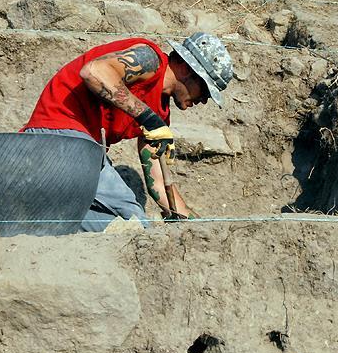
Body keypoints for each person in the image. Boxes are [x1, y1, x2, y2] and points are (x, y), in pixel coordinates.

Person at [22, 32, 233, 232]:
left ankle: (29, 219)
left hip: (80, 153)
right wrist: (147, 118)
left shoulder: (159, 116)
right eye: (205, 89)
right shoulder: (150, 59)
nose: (204, 100)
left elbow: (158, 180)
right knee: (132, 218)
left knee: (117, 226)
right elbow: (94, 72)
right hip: (57, 135)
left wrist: (189, 224)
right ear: (187, 69)